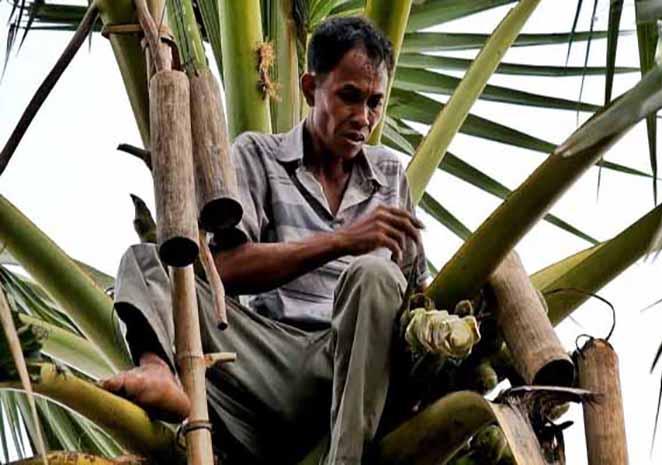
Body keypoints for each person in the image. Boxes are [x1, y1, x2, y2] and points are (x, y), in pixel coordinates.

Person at [102, 16, 428, 465]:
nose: (364, 118)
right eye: (349, 97)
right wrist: (339, 242)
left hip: (359, 368)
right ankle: (159, 370)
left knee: (375, 274)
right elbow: (225, 271)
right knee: (147, 260)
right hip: (272, 363)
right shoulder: (259, 155)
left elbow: (417, 297)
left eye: (375, 103)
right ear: (311, 88)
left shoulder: (391, 175)